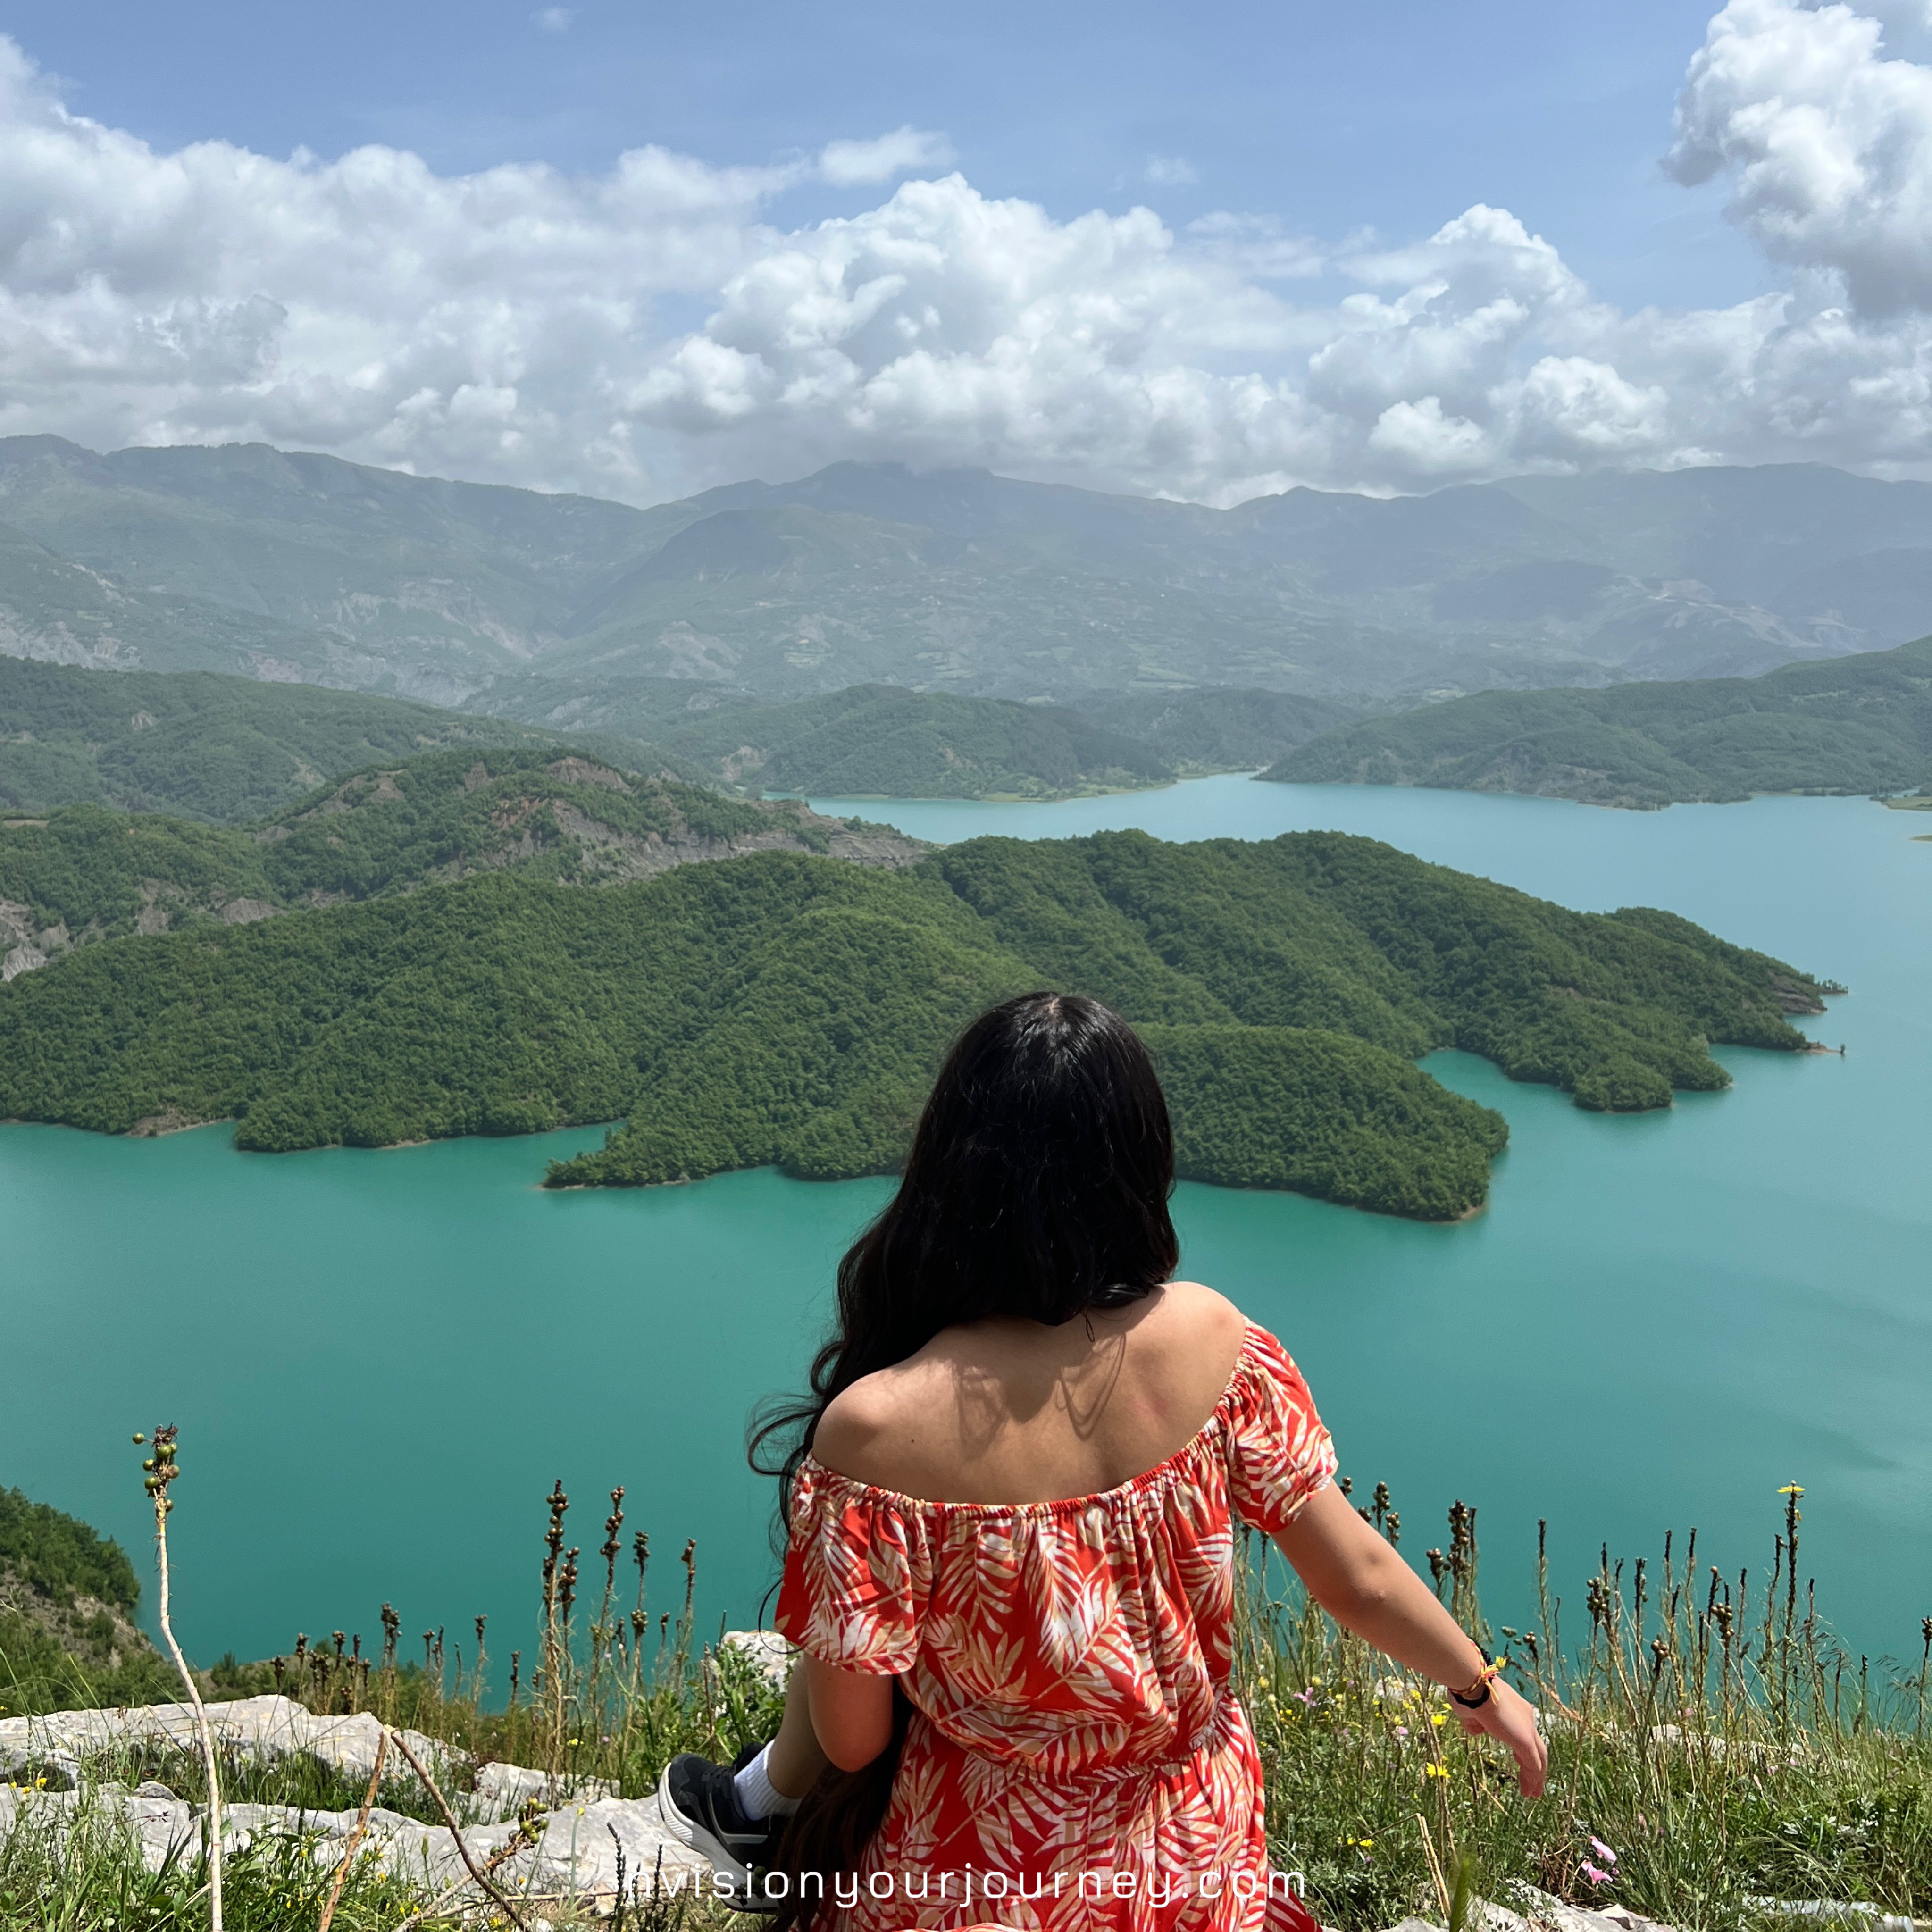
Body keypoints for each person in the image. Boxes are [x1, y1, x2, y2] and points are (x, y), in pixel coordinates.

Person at [660, 992, 1546, 1932]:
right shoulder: (1216, 1342)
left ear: (948, 1168)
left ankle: (753, 1807)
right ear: (1138, 1160)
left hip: (979, 1873)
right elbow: (1356, 1576)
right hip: (1191, 1856)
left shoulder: (873, 1432)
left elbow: (853, 1734)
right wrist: (1478, 1686)